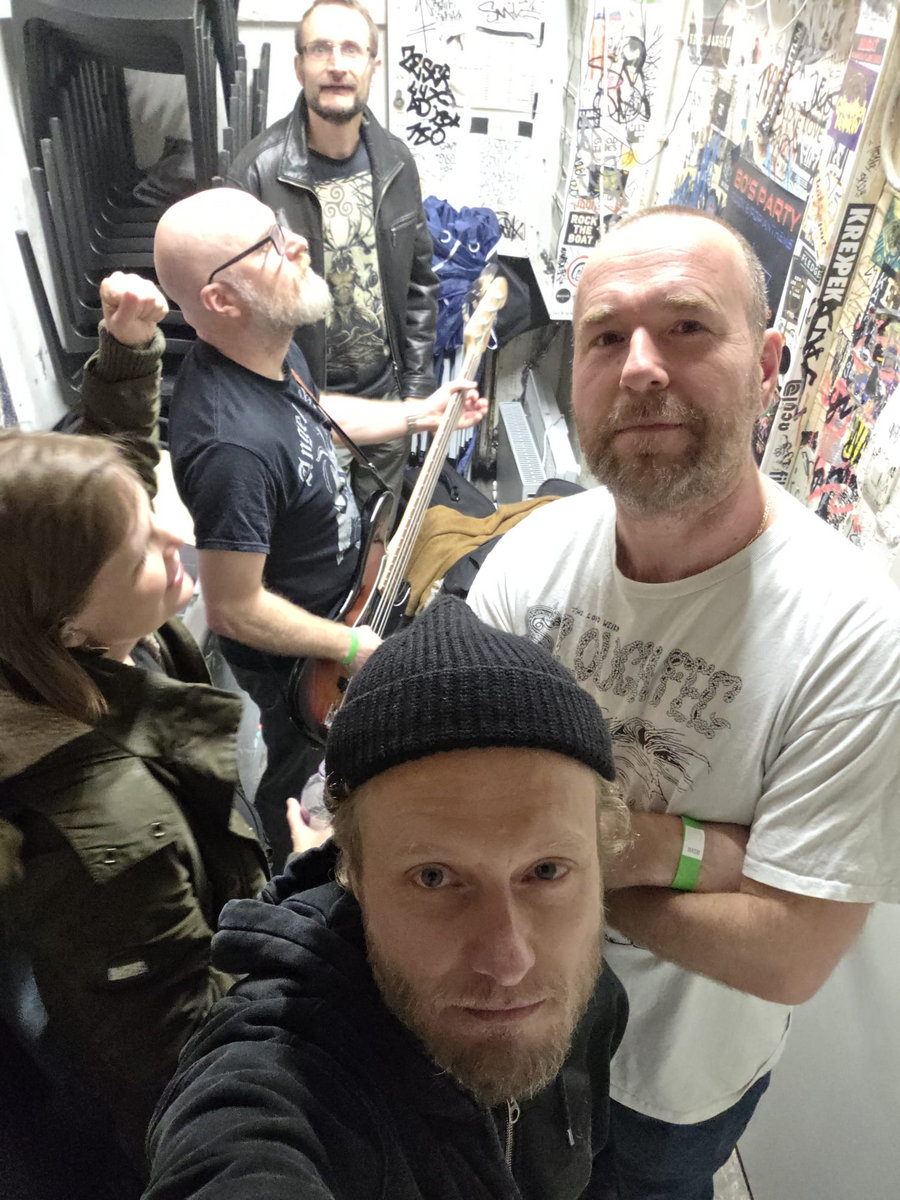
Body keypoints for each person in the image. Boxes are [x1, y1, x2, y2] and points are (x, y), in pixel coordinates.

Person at [468, 206, 900, 1199]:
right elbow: (461, 795)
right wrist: (691, 852)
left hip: (669, 1090)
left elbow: (789, 952)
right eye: (605, 337)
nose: (641, 368)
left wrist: (563, 859)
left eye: (688, 327)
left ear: (769, 364)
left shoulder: (854, 634)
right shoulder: (530, 559)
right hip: (510, 1026)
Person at [142, 595, 630, 1199]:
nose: (509, 962)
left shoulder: (593, 997)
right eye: (434, 877)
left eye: (547, 871)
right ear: (353, 873)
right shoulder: (284, 1075)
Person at [0, 274, 269, 1178]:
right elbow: (185, 1054)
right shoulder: (108, 839)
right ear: (72, 628)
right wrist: (314, 899)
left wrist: (124, 357)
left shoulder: (50, 619)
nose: (174, 540)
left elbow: (109, 490)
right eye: (145, 553)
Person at [153, 187, 483, 870]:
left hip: (347, 604)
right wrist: (351, 646)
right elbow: (232, 608)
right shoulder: (230, 448)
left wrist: (419, 413)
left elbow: (311, 416)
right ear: (221, 298)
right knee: (302, 773)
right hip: (302, 661)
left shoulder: (266, 349)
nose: (298, 243)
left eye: (281, 228)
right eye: (270, 245)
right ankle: (287, 876)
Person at [228, 0, 439, 526]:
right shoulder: (257, 173)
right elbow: (238, 315)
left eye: (351, 49)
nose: (337, 64)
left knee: (377, 539)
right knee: (314, 550)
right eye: (320, 49)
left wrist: (414, 393)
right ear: (299, 65)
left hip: (385, 402)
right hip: (305, 412)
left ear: (373, 64)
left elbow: (420, 285)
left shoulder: (397, 162)